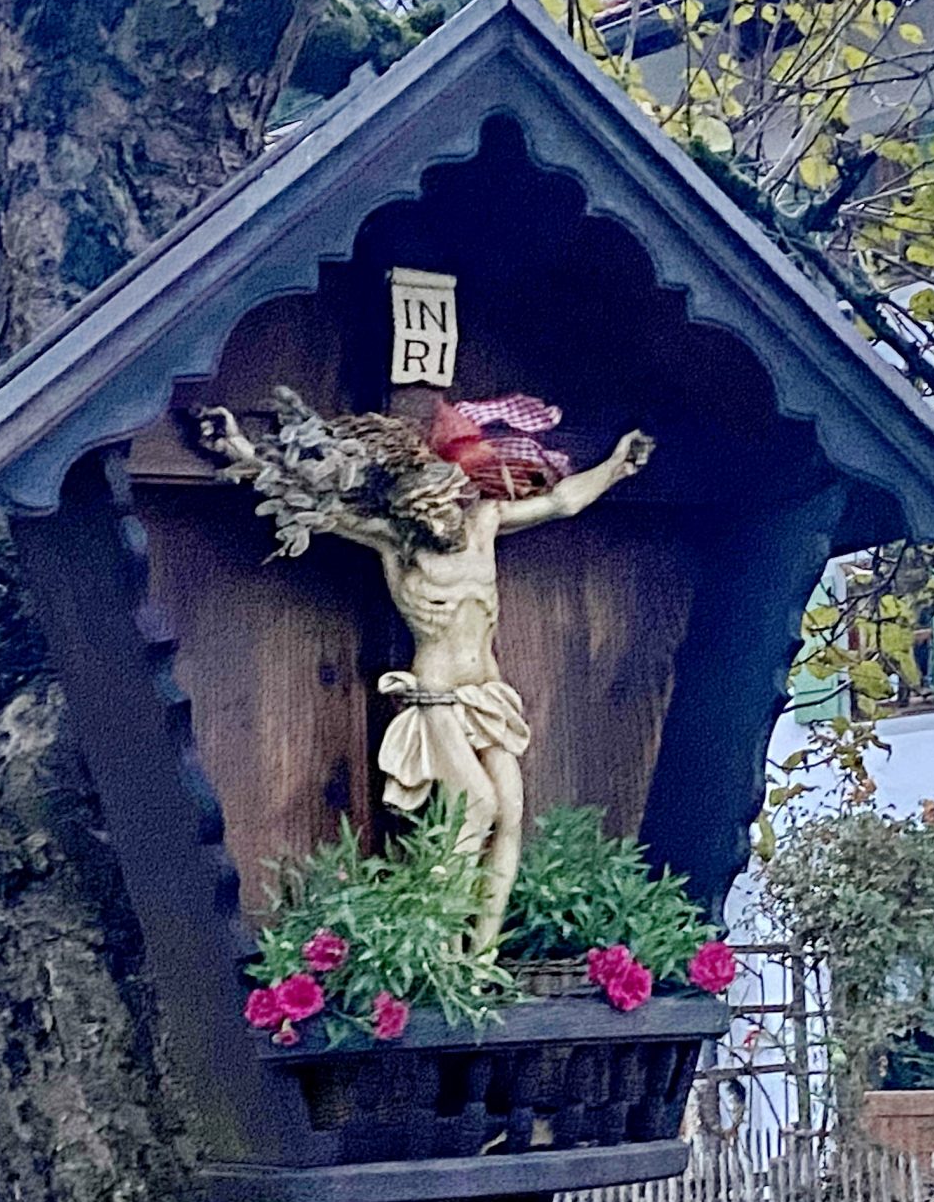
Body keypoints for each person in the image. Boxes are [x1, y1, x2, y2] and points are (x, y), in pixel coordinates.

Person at [201, 394, 653, 947]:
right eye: (422, 512)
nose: (437, 518)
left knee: (511, 812)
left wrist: (616, 466)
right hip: (436, 693)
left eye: (441, 505)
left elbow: (561, 501)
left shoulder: (485, 523)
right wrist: (238, 447)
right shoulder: (396, 544)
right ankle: (435, 943)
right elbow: (308, 500)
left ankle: (480, 954)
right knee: (477, 804)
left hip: (487, 690)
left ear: (456, 495)